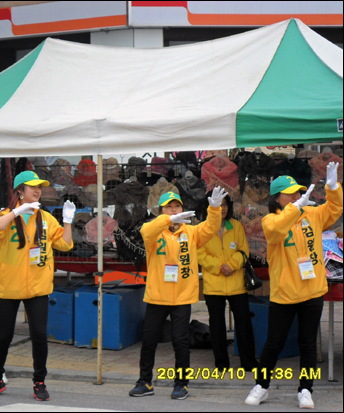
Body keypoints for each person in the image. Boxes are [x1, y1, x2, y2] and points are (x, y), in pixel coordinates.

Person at [245, 163, 342, 409]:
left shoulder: (311, 214)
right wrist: (296, 209)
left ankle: (306, 390)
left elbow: (334, 209)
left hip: (312, 291)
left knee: (307, 343)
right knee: (274, 343)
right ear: (277, 197)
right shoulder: (270, 220)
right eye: (291, 193)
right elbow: (276, 232)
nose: (298, 196)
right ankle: (262, 386)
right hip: (285, 294)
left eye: (299, 192)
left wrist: (332, 188)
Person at [0, 171, 75, 401]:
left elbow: (65, 244)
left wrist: (68, 221)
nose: (37, 191)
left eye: (40, 187)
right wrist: (16, 211)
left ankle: (39, 381)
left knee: (39, 335)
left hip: (38, 288)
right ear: (20, 192)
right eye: (32, 187)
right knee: (3, 336)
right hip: (8, 287)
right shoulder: (6, 216)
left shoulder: (45, 218)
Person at [129, 187, 226, 400]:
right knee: (149, 340)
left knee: (180, 341)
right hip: (157, 296)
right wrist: (168, 220)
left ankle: (182, 384)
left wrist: (215, 208)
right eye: (169, 207)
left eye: (177, 206)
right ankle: (144, 381)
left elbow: (210, 228)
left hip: (182, 296)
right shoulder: (154, 232)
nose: (174, 209)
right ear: (161, 211)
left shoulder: (191, 232)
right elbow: (145, 231)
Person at [198, 193, 258, 372]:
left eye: (225, 204)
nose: (222, 208)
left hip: (236, 283)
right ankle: (221, 364)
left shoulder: (236, 226)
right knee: (217, 326)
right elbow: (199, 254)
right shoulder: (202, 229)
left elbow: (243, 251)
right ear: (209, 207)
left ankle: (249, 362)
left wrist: (231, 265)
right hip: (213, 285)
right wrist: (219, 267)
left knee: (244, 324)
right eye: (218, 204)